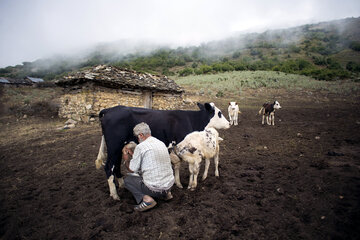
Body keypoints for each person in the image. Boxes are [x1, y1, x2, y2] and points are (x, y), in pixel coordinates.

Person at [123, 122, 174, 212]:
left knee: (128, 180)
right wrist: (135, 155)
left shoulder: (140, 147)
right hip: (169, 185)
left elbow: (132, 169)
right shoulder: (160, 142)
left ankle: (147, 200)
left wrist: (126, 159)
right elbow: (149, 162)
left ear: (141, 135)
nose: (137, 139)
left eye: (137, 136)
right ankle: (167, 195)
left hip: (155, 189)